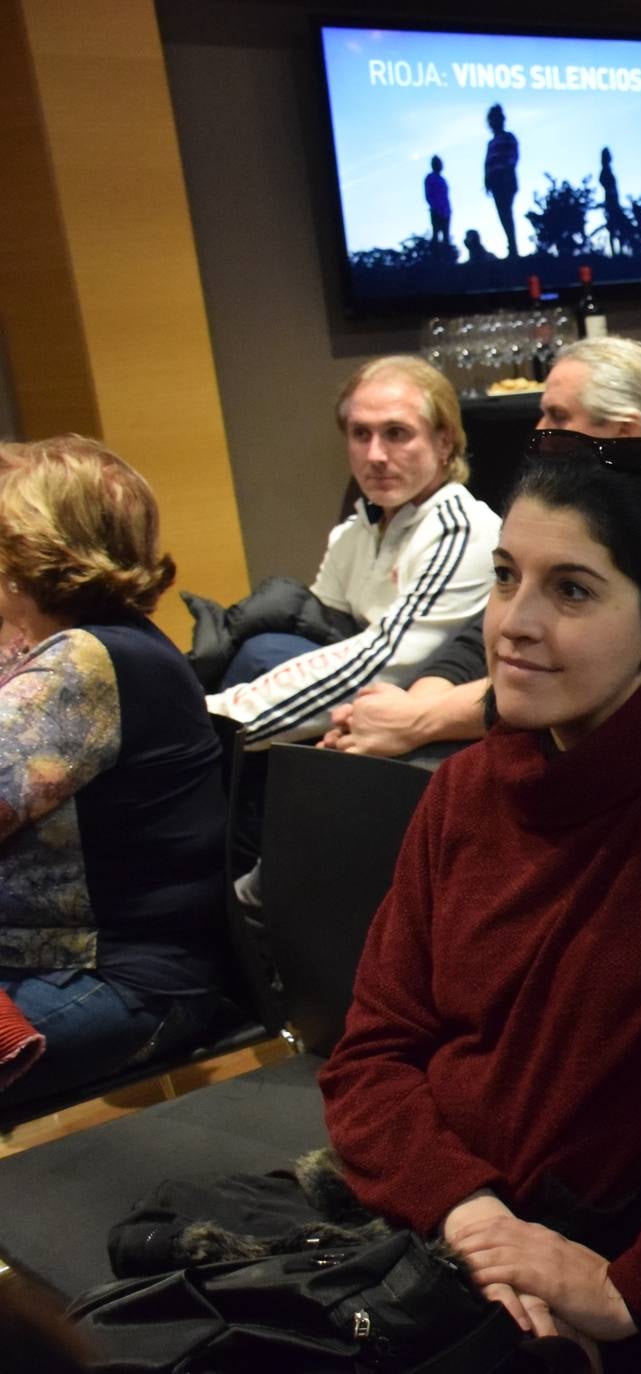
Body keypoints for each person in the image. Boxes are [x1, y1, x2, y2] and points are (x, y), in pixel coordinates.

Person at [319, 431, 641, 1367]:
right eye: (507, 576)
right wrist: (468, 1215)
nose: (513, 621)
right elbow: (372, 1055)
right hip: (449, 1239)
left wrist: (633, 1287)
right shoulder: (465, 790)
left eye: (572, 590)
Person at [322, 341, 641, 760]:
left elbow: (629, 679)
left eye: (558, 417)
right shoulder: (559, 504)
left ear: (625, 433)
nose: (538, 431)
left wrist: (421, 720)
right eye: (506, 575)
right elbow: (480, 627)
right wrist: (421, 697)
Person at [0, 437, 226, 1106]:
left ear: (33, 545)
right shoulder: (84, 644)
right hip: (56, 962)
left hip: (118, 982)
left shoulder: (85, 661)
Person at [206, 357, 498, 747]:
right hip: (361, 702)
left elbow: (379, 664)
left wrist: (219, 719)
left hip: (429, 713)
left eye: (397, 433)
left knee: (265, 655)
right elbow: (323, 645)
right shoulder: (354, 531)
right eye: (361, 434)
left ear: (444, 442)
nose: (375, 455)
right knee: (266, 647)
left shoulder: (459, 530)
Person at [483, 104, 520, 260]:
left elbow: (513, 158)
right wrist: (487, 180)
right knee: (502, 214)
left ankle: (513, 247)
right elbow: (487, 163)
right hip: (495, 183)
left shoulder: (508, 137)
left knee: (506, 213)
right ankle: (511, 245)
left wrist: (504, 173)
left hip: (506, 180)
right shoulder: (491, 143)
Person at [423, 155, 450, 248]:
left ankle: (447, 258)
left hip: (446, 211)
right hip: (436, 211)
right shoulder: (430, 178)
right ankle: (435, 258)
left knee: (446, 237)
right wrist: (435, 208)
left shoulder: (442, 179)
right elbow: (428, 195)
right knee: (436, 235)